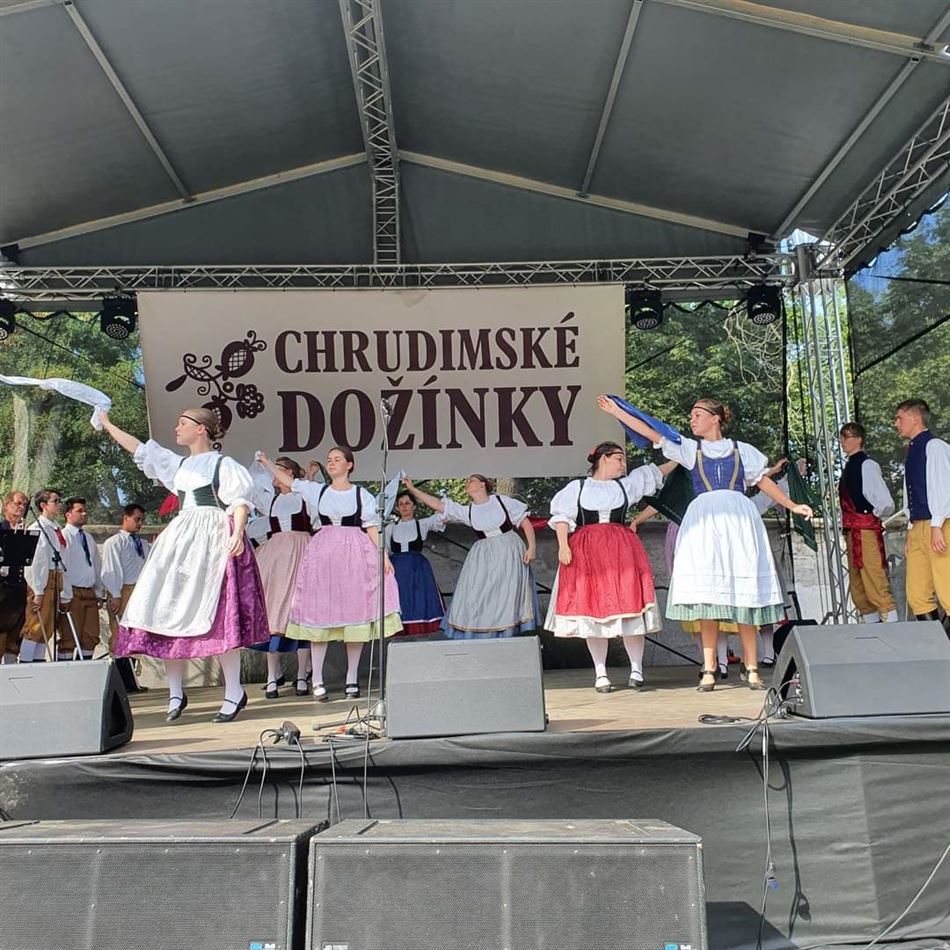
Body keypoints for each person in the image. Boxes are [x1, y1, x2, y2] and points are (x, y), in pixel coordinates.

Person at [599, 395, 813, 692]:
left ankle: (752, 666)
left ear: (715, 418)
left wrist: (792, 506)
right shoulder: (690, 449)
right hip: (704, 521)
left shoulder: (742, 450)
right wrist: (618, 412)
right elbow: (652, 431)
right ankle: (710, 666)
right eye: (691, 415)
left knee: (745, 595)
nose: (692, 420)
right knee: (708, 594)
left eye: (697, 414)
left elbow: (763, 482)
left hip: (738, 520)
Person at [97, 407, 269, 723]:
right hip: (181, 539)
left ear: (201, 429)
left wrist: (238, 532)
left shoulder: (222, 464)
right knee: (165, 609)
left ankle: (234, 691)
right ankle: (175, 691)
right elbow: (138, 448)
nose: (177, 428)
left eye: (183, 423)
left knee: (219, 614)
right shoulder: (178, 465)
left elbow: (239, 502)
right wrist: (107, 424)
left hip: (213, 536)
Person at [264, 446, 401, 702]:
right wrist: (266, 462)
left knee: (355, 616)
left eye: (338, 459)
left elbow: (372, 527)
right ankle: (317, 679)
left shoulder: (361, 495)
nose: (332, 462)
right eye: (329, 460)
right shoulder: (318, 490)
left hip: (354, 556)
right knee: (319, 616)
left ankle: (351, 678)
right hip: (324, 557)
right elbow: (289, 481)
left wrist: (383, 556)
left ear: (350, 465)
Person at [546, 442, 673, 692]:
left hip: (621, 550)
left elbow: (656, 472)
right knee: (592, 610)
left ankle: (636, 668)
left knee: (629, 607)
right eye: (619, 459)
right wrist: (563, 546)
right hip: (587, 552)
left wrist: (681, 455)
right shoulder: (578, 487)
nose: (623, 465)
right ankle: (601, 672)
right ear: (603, 459)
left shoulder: (625, 485)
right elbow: (562, 518)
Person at [403, 475, 539, 639]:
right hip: (484, 555)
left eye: (471, 480)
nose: (467, 482)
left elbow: (525, 522)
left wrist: (532, 547)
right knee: (476, 592)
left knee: (506, 594)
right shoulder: (467, 511)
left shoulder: (501, 501)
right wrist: (413, 489)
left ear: (482, 484)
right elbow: (438, 504)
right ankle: (483, 635)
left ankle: (506, 634)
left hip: (508, 549)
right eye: (467, 481)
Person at [248, 455, 315, 698]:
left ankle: (302, 675)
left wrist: (310, 477)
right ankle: (272, 677)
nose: (273, 475)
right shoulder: (271, 500)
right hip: (276, 559)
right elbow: (251, 490)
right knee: (273, 612)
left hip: (301, 553)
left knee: (301, 614)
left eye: (278, 470)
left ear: (290, 473)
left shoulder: (304, 497)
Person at [895, 399, 950, 623]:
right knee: (917, 594)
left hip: (939, 524)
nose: (896, 424)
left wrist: (937, 525)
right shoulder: (913, 450)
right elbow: (911, 494)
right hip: (919, 525)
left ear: (915, 418)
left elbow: (943, 486)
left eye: (899, 418)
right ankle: (937, 642)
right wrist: (911, 527)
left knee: (947, 587)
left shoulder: (934, 446)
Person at [837, 423, 897, 624]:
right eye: (841, 438)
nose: (842, 442)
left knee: (875, 578)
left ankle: (893, 627)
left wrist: (871, 518)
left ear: (858, 439)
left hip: (864, 529)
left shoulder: (867, 465)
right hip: (853, 530)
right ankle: (873, 627)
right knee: (858, 587)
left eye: (846, 437)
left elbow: (885, 502)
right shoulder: (850, 466)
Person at [100, 503, 151, 691]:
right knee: (119, 632)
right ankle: (120, 680)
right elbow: (111, 569)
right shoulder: (114, 542)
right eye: (137, 519)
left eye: (142, 520)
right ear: (126, 518)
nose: (140, 524)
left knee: (135, 634)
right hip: (123, 590)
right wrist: (115, 594)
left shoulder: (143, 544)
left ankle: (131, 679)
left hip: (139, 590)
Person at [20, 489, 72, 663]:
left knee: (47, 626)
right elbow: (35, 562)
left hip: (55, 577)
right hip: (42, 581)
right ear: (43, 505)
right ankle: (26, 662)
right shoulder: (37, 529)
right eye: (55, 501)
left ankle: (38, 661)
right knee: (35, 625)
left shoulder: (54, 528)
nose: (59, 504)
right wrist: (38, 590)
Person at [385, 491, 446, 637]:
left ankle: (418, 630)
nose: (404, 506)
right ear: (397, 508)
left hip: (418, 569)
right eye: (401, 504)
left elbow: (443, 514)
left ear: (414, 506)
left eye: (407, 503)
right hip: (397, 570)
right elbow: (385, 550)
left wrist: (418, 492)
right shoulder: (390, 528)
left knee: (418, 598)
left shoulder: (422, 524)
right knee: (400, 599)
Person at [60, 497, 104, 660]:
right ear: (68, 514)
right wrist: (64, 595)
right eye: (79, 511)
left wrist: (98, 591)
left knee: (90, 635)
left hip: (89, 591)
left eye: (85, 511)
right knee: (69, 636)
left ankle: (84, 666)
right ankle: (64, 668)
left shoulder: (88, 538)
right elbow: (62, 567)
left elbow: (96, 565)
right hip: (72, 592)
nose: (84, 514)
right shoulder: (64, 536)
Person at [0, 491, 29, 663]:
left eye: (24, 504)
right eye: (18, 503)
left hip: (20, 588)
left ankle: (11, 669)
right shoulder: (1, 530)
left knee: (16, 635)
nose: (21, 507)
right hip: (3, 588)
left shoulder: (26, 531)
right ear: (6, 506)